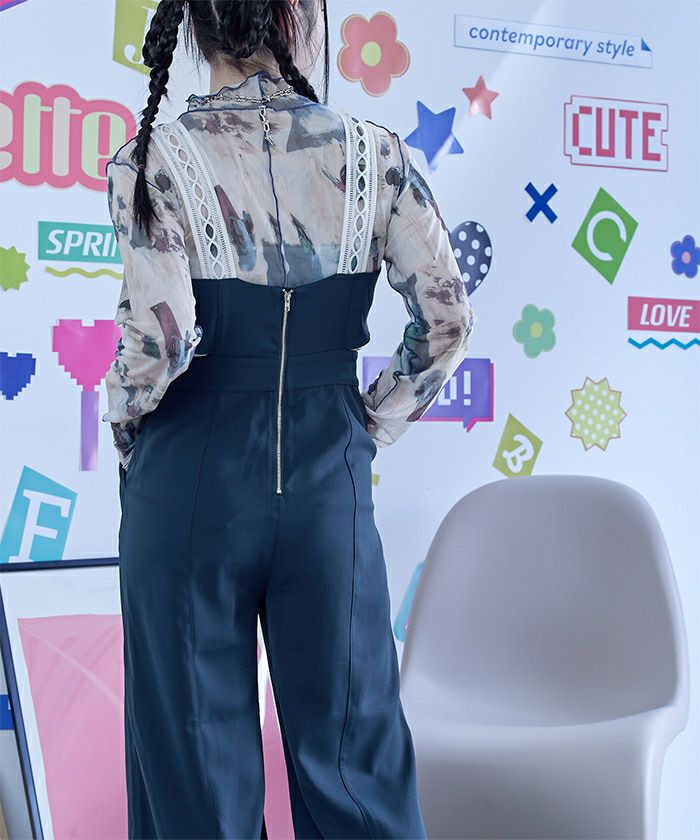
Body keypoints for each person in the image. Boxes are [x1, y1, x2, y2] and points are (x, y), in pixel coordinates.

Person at [102, 0, 476, 837]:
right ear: (296, 21)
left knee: (198, 779)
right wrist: (367, 427)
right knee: (355, 770)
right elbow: (448, 320)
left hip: (189, 483)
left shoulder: (151, 157)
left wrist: (126, 433)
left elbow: (160, 343)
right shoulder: (376, 154)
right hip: (327, 480)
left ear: (194, 25)